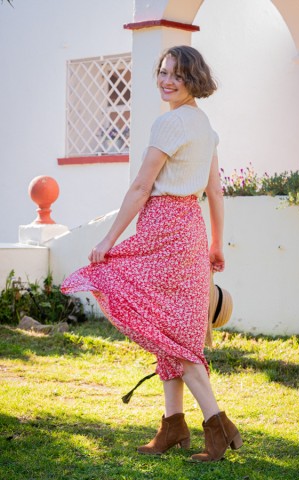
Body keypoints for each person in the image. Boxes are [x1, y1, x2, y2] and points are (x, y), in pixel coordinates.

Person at [61, 45, 243, 462]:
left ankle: (218, 426)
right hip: (190, 232)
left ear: (194, 79)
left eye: (177, 75)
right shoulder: (204, 126)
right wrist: (216, 243)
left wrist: (107, 241)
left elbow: (142, 188)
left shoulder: (169, 125)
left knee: (167, 329)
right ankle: (172, 426)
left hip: (163, 229)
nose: (166, 80)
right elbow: (214, 190)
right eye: (162, 72)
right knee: (170, 326)